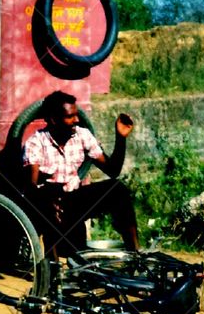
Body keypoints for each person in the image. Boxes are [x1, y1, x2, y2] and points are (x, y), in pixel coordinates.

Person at [22, 90, 140, 256]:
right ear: (54, 120)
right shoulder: (35, 143)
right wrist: (47, 202)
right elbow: (30, 188)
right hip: (48, 201)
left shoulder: (82, 134)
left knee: (117, 189)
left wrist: (120, 138)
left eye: (76, 115)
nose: (76, 120)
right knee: (46, 201)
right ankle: (52, 268)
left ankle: (136, 254)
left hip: (74, 199)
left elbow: (112, 170)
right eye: (70, 117)